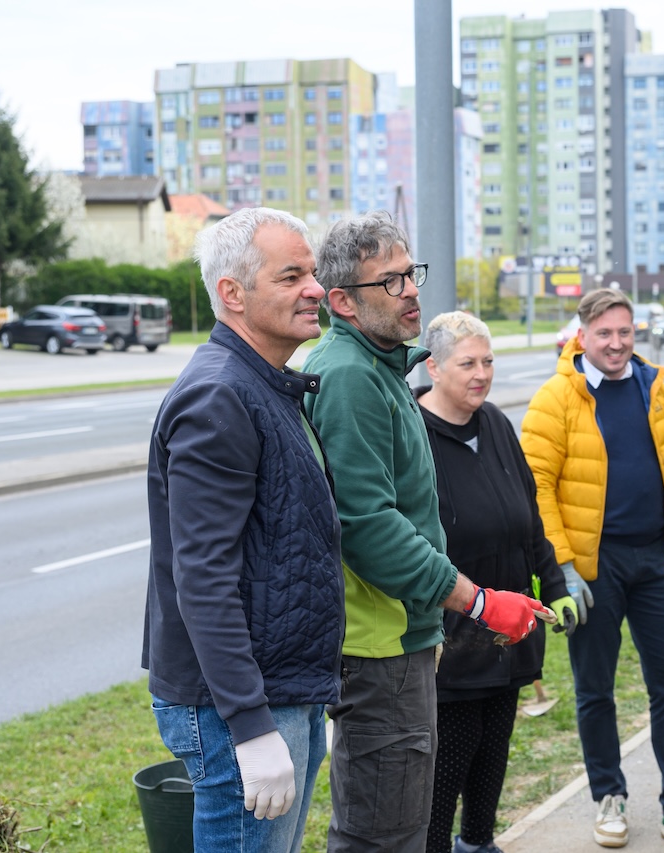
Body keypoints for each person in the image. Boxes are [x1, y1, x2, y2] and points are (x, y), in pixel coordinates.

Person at [303, 212, 548, 853]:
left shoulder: (381, 369)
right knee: (383, 834)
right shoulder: (351, 377)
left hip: (403, 635)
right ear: (343, 303)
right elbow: (369, 524)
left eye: (411, 273)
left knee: (402, 824)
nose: (412, 290)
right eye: (390, 281)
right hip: (379, 644)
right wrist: (479, 601)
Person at [144, 207, 343, 851]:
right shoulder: (220, 397)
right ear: (232, 292)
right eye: (292, 276)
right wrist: (252, 726)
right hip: (239, 708)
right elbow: (201, 580)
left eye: (311, 273)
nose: (315, 289)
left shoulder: (265, 385)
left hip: (281, 690)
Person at [521, 288, 664, 849]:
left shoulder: (652, 388)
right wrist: (563, 567)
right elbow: (537, 489)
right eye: (605, 334)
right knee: (595, 687)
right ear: (583, 336)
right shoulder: (556, 399)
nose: (617, 343)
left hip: (653, 559)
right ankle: (608, 795)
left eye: (625, 333)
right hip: (593, 570)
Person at [415, 311, 578, 853]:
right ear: (433, 367)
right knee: (450, 764)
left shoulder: (497, 425)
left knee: (494, 752)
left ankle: (480, 843)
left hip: (509, 631)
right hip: (453, 638)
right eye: (468, 363)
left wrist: (554, 585)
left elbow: (529, 517)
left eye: (488, 361)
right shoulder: (416, 434)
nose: (481, 373)